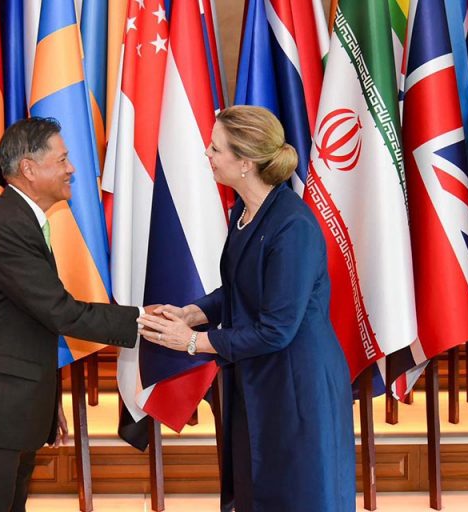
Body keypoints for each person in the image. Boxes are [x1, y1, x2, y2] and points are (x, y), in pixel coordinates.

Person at [138, 105, 356, 511]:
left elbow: (276, 329)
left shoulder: (292, 226)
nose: (207, 154)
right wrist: (191, 313)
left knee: (295, 495)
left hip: (297, 386)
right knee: (254, 489)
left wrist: (193, 342)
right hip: (256, 377)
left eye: (215, 148)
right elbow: (242, 287)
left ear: (245, 163)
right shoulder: (245, 209)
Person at [0, 117, 143, 512]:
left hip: (9, 412)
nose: (72, 169)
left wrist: (46, 403)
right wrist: (143, 322)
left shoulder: (20, 219)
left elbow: (25, 324)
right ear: (29, 169)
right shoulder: (9, 227)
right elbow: (60, 312)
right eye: (62, 159)